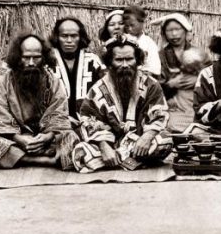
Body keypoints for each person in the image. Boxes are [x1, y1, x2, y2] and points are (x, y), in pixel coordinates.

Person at [0, 32, 78, 171]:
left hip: (46, 139)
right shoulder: (2, 83)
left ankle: (22, 160)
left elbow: (58, 113)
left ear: (44, 58)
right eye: (26, 57)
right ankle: (44, 161)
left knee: (71, 136)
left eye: (36, 58)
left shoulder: (53, 82)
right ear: (18, 58)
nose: (31, 63)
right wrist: (19, 138)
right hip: (15, 140)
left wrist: (47, 137)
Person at [73, 36, 172, 172]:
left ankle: (116, 161)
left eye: (129, 59)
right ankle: (129, 160)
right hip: (111, 145)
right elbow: (88, 119)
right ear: (110, 62)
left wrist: (147, 137)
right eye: (119, 60)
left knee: (164, 140)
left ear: (137, 60)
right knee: (81, 152)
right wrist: (103, 146)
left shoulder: (151, 85)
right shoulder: (98, 90)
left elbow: (160, 115)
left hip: (141, 142)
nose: (125, 65)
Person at [48, 17, 104, 117]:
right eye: (64, 36)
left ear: (80, 37)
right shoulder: (48, 62)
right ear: (57, 37)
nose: (69, 40)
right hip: (56, 119)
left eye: (74, 36)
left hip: (90, 119)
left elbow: (104, 92)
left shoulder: (93, 61)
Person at [157, 13, 200, 100]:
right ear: (164, 33)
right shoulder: (160, 56)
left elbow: (210, 79)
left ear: (185, 31)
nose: (174, 34)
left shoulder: (197, 54)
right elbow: (154, 87)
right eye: (169, 30)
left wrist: (197, 80)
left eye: (178, 29)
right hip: (168, 102)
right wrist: (170, 84)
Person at [123, 5, 162, 77]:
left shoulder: (149, 43)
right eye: (127, 26)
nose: (129, 29)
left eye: (132, 25)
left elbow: (155, 68)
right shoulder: (124, 40)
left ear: (142, 22)